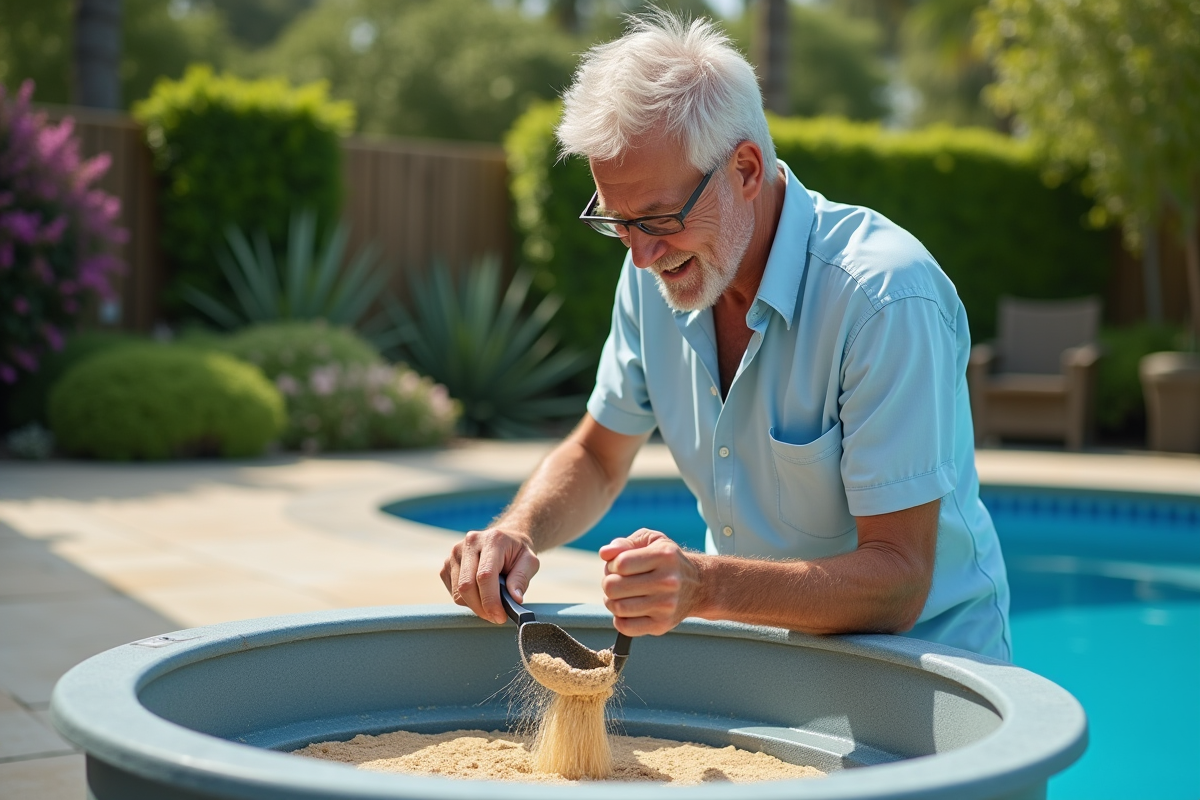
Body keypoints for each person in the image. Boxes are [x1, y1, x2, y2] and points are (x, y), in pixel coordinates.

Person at [440, 11, 1010, 660]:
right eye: (618, 222)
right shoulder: (657, 272)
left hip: (932, 688)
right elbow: (599, 457)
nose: (642, 256)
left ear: (744, 169)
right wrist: (517, 531)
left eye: (658, 218)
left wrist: (704, 586)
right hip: (764, 666)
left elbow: (899, 583)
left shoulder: (883, 298)